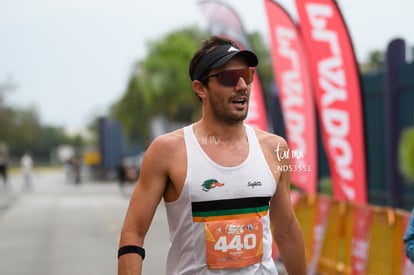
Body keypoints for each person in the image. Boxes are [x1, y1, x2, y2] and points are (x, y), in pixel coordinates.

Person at [118, 36, 306, 274]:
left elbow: (287, 231)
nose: (241, 86)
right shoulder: (167, 151)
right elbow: (133, 233)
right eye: (228, 78)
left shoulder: (274, 148)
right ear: (201, 88)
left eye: (246, 76)